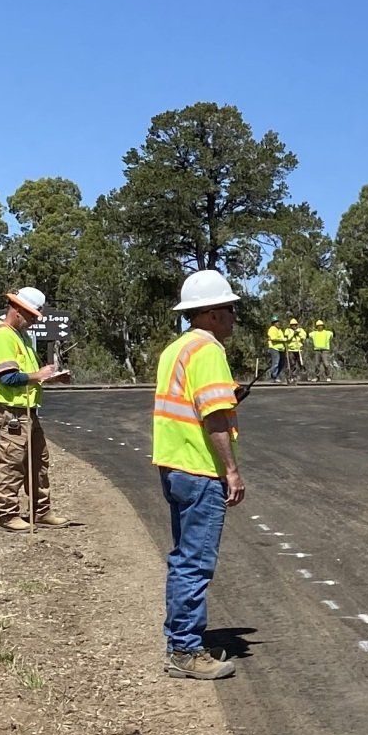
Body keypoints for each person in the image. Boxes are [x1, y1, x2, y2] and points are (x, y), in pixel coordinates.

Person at [154, 269, 246, 679]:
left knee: (183, 558)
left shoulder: (177, 349)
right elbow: (212, 418)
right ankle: (186, 650)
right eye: (228, 309)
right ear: (210, 314)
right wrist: (231, 470)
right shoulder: (209, 352)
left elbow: (194, 402)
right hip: (200, 468)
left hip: (175, 465)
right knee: (195, 562)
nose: (232, 317)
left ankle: (181, 642)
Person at [0, 286, 68, 530]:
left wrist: (49, 377)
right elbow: (7, 377)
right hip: (10, 411)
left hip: (27, 410)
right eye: (31, 316)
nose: (33, 321)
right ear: (17, 310)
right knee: (13, 464)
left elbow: (27, 375)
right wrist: (38, 375)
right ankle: (9, 515)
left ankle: (41, 511)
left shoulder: (20, 335)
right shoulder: (2, 336)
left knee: (39, 462)